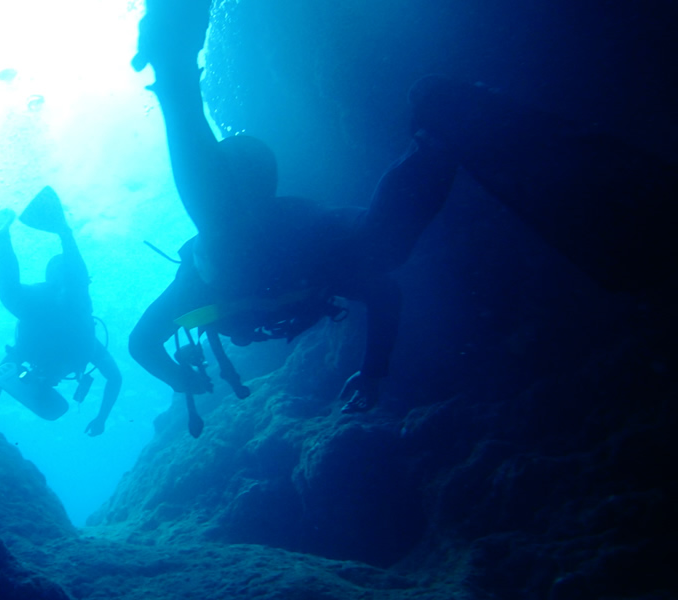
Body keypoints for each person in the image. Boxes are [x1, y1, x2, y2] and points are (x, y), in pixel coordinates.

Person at [128, 1, 676, 415]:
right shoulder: (254, 240)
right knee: (371, 244)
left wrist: (180, 378)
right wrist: (374, 371)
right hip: (321, 248)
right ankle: (438, 134)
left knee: (232, 242)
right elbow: (381, 288)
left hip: (301, 248)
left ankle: (176, 72)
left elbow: (142, 342)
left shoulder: (207, 271)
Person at [0, 186, 123, 436]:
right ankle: (62, 232)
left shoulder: (31, 352)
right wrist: (101, 418)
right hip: (61, 305)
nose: (52, 378)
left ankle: (2, 233)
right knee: (68, 294)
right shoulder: (86, 349)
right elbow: (115, 378)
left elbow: (0, 375)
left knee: (11, 294)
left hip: (41, 304)